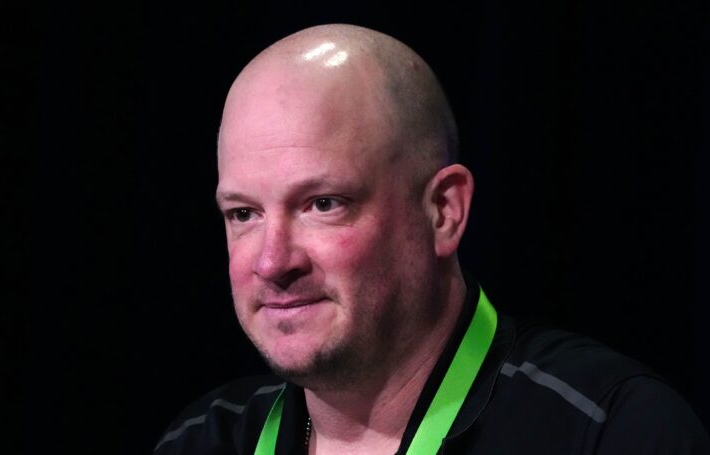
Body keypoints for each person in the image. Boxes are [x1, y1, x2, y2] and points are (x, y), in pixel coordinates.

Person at [154, 24, 709, 454]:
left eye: (323, 204)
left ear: (443, 211)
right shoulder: (202, 440)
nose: (273, 261)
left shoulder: (609, 432)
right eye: (244, 213)